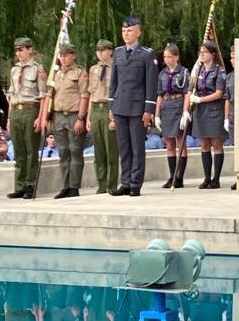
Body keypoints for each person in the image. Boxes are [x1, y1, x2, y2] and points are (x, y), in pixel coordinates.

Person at [109, 15, 158, 197]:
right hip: (120, 105)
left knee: (137, 147)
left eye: (129, 30)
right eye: (123, 31)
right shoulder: (118, 52)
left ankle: (135, 184)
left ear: (138, 32)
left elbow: (151, 83)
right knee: (124, 147)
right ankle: (125, 182)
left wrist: (149, 109)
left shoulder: (147, 54)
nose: (126, 34)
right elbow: (114, 81)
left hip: (137, 108)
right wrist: (111, 106)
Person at [45, 44, 89, 199]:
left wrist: (81, 118)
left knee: (75, 150)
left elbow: (84, 96)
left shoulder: (80, 73)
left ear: (73, 56)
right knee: (63, 151)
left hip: (74, 115)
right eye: (61, 55)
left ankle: (74, 186)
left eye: (66, 55)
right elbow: (50, 96)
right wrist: (47, 117)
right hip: (59, 116)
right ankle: (65, 186)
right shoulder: (56, 74)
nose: (63, 58)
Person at [6, 37, 47, 199]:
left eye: (22, 49)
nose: (19, 53)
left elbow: (43, 95)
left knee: (31, 150)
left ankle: (30, 185)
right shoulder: (14, 69)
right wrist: (9, 118)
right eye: (17, 50)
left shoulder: (37, 69)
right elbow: (11, 94)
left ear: (30, 50)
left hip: (31, 110)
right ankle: (20, 186)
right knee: (19, 150)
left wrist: (41, 117)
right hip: (16, 110)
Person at [186, 40, 227, 189]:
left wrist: (200, 99)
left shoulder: (219, 71)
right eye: (200, 52)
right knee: (204, 144)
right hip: (200, 111)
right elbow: (190, 90)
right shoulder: (197, 71)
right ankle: (207, 178)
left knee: (216, 143)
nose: (201, 54)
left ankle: (216, 179)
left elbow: (219, 93)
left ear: (213, 54)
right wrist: (186, 110)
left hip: (214, 110)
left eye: (205, 52)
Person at [155, 43, 190, 188]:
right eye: (165, 57)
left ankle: (179, 176)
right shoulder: (162, 74)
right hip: (166, 107)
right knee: (169, 143)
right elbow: (159, 94)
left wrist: (185, 112)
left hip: (178, 106)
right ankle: (172, 176)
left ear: (176, 57)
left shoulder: (183, 72)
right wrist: (157, 115)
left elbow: (187, 93)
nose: (167, 59)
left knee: (180, 142)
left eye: (169, 57)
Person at [87, 39, 119, 194]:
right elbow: (91, 94)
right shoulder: (93, 69)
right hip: (95, 109)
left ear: (110, 51)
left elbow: (118, 93)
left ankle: (111, 184)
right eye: (98, 50)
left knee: (111, 149)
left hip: (109, 109)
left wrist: (115, 116)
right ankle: (101, 184)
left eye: (103, 50)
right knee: (98, 150)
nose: (100, 53)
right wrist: (88, 117)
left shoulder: (116, 68)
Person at [224, 45, 236, 189]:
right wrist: (226, 118)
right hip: (233, 116)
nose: (232, 60)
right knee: (235, 149)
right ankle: (238, 176)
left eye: (234, 58)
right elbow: (227, 98)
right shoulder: (229, 77)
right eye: (231, 58)